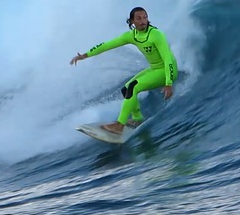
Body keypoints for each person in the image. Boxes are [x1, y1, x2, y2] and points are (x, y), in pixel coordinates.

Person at [70, 7, 178, 135]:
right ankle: (137, 118)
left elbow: (167, 59)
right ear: (132, 21)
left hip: (167, 71)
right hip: (155, 69)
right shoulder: (132, 36)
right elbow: (107, 45)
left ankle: (119, 125)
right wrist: (85, 55)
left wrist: (168, 83)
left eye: (145, 17)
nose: (143, 21)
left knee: (133, 87)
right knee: (126, 89)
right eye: (139, 18)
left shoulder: (156, 35)